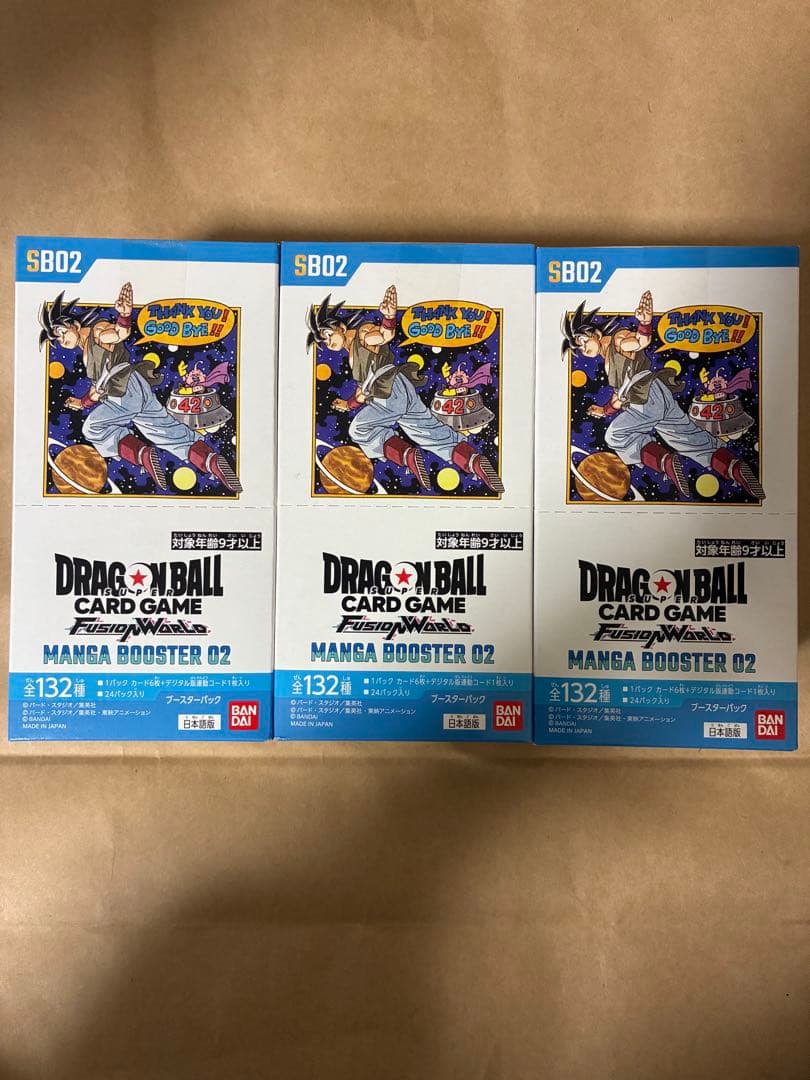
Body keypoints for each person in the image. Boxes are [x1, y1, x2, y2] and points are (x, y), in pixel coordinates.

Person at [562, 292, 764, 499]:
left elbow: (639, 342)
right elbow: (619, 398)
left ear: (595, 333)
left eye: (583, 341)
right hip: (658, 394)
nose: (583, 348)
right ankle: (734, 467)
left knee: (615, 435)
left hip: (646, 399)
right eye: (579, 348)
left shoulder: (617, 340)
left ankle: (664, 461)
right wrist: (605, 410)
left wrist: (645, 323)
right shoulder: (608, 359)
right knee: (688, 439)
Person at [40, 285, 241, 492]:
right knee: (166, 431)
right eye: (58, 340)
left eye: (62, 332)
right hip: (136, 387)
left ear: (74, 324)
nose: (62, 340)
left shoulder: (97, 333)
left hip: (124, 391)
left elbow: (118, 333)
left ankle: (141, 454)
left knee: (93, 427)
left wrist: (125, 315)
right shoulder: (86, 350)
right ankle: (211, 461)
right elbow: (97, 390)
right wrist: (82, 402)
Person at [307, 287, 503, 493]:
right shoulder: (352, 354)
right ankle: (474, 461)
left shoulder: (362, 335)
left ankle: (406, 455)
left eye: (328, 335)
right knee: (430, 433)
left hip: (388, 393)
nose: (328, 343)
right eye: (324, 342)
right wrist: (348, 404)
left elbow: (383, 336)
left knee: (359, 429)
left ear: (340, 326)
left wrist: (389, 318)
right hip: (401, 388)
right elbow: (362, 392)